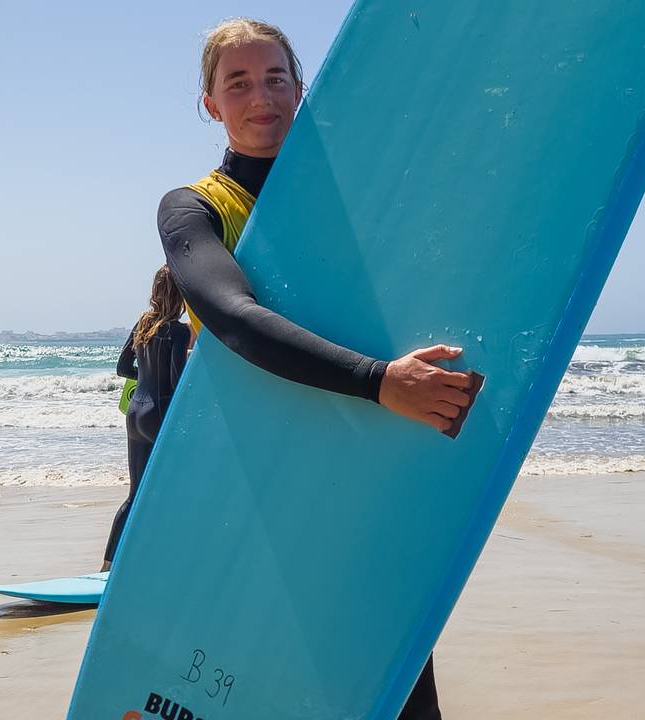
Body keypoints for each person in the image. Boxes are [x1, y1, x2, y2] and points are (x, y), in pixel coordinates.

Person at [157, 18, 479, 719]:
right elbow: (235, 319)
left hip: (371, 469)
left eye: (276, 77)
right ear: (209, 103)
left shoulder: (363, 203)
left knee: (399, 677)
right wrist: (379, 381)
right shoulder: (196, 209)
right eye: (237, 82)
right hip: (262, 483)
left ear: (302, 89)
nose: (260, 95)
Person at [103, 266, 191, 571]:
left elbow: (123, 369)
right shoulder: (178, 331)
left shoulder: (143, 324)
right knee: (173, 489)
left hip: (136, 413)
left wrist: (147, 378)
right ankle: (167, 561)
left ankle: (107, 566)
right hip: (160, 413)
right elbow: (178, 380)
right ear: (180, 293)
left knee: (134, 495)